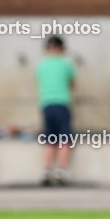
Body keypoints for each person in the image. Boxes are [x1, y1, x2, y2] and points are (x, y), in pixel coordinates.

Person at [36, 35, 76, 186]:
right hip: (62, 103)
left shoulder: (41, 66)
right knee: (64, 139)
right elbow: (72, 84)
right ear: (62, 49)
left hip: (46, 105)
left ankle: (46, 170)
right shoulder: (66, 65)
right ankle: (61, 170)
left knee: (49, 139)